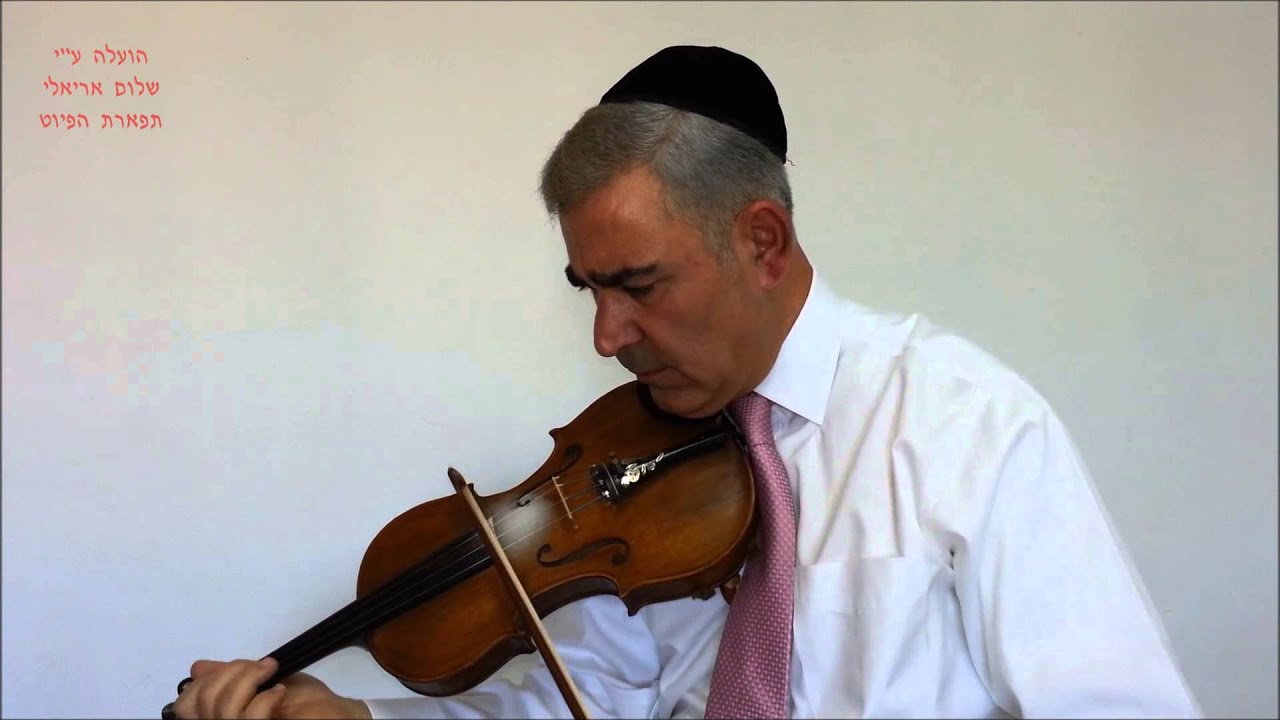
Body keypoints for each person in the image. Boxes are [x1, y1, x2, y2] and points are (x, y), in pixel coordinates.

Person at [172, 45, 1202, 719]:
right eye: (586, 289)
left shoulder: (964, 424)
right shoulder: (636, 458)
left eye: (638, 285)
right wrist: (358, 717)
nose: (605, 336)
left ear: (762, 241)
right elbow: (583, 698)